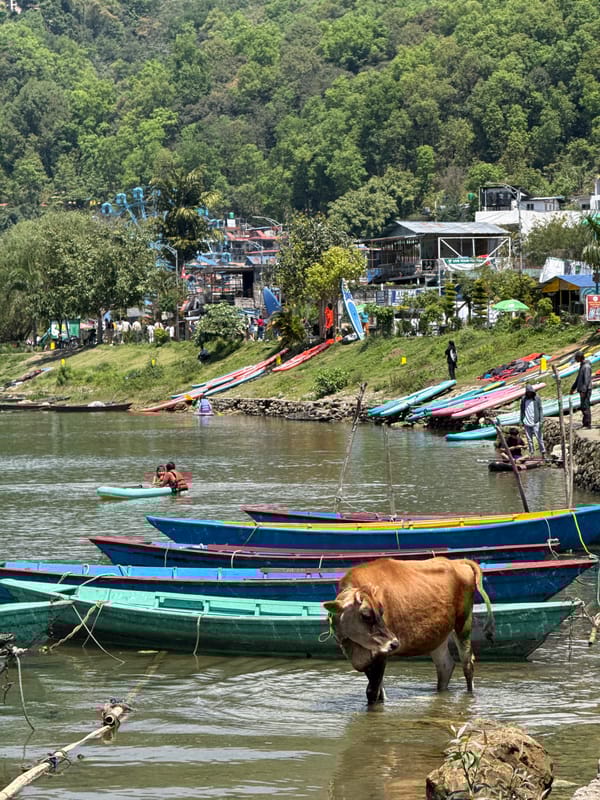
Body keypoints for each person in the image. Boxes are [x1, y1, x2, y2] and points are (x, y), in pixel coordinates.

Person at [519, 383, 546, 458]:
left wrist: (541, 420)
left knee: (539, 438)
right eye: (528, 392)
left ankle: (543, 453)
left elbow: (540, 409)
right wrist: (521, 420)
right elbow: (522, 410)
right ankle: (532, 453)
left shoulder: (537, 398)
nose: (529, 393)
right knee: (529, 440)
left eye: (530, 392)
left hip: (536, 421)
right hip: (527, 422)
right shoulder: (523, 399)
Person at [571, 350, 593, 429]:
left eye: (576, 358)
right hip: (583, 390)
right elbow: (578, 379)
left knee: (585, 406)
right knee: (583, 406)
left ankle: (587, 424)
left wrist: (584, 391)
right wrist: (573, 388)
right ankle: (585, 423)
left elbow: (586, 380)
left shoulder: (586, 367)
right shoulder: (582, 366)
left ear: (580, 357)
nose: (575, 359)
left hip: (586, 390)